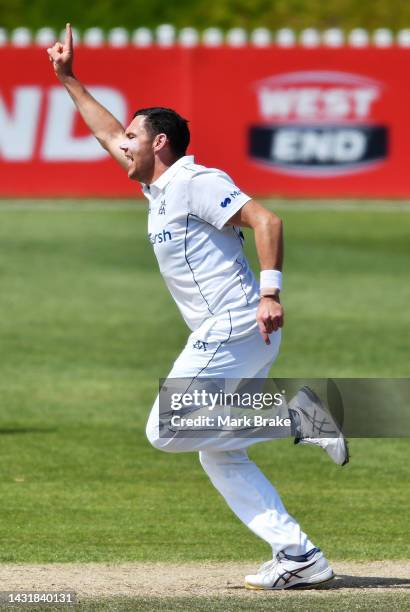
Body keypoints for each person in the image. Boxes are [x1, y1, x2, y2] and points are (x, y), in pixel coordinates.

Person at [47, 24, 348, 590]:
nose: (122, 144)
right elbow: (107, 130)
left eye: (134, 137)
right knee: (219, 453)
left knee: (165, 428)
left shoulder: (195, 180)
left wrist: (270, 292)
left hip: (235, 322)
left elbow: (268, 220)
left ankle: (300, 416)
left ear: (159, 142)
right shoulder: (158, 189)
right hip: (232, 331)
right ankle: (299, 554)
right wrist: (68, 80)